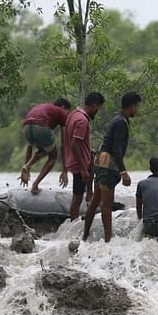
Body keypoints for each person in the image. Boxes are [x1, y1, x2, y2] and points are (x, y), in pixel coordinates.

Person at [82, 92, 143, 242]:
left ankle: (84, 236)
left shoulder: (118, 119)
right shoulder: (121, 122)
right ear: (132, 106)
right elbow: (116, 148)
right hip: (108, 163)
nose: (138, 110)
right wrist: (123, 172)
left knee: (96, 200)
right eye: (138, 106)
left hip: (101, 161)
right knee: (107, 204)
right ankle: (108, 240)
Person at [60, 92, 106, 221]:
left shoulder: (73, 114)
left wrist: (87, 150)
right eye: (98, 108)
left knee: (81, 193)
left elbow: (73, 141)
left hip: (77, 160)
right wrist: (83, 168)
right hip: (79, 164)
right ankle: (73, 223)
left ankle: (89, 201)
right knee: (77, 197)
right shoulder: (82, 120)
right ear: (94, 105)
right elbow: (74, 145)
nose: (97, 111)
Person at [19, 98, 72, 194]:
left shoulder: (43, 107)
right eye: (67, 113)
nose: (67, 116)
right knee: (53, 157)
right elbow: (64, 145)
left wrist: (26, 167)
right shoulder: (62, 112)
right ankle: (35, 185)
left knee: (45, 149)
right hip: (41, 126)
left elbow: (29, 146)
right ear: (63, 107)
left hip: (26, 127)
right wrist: (65, 171)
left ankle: (27, 166)